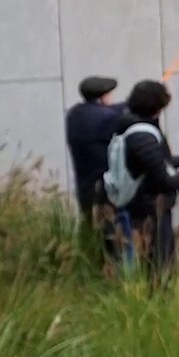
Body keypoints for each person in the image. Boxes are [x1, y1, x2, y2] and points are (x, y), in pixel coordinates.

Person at [102, 79, 179, 279]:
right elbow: (163, 178)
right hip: (150, 211)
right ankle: (160, 304)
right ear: (156, 106)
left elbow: (158, 162)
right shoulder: (142, 136)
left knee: (153, 266)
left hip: (144, 208)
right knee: (160, 268)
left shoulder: (133, 126)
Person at [64, 76, 126, 257]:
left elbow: (113, 109)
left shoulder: (75, 114)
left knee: (89, 230)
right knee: (110, 237)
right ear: (103, 97)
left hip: (85, 185)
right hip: (104, 189)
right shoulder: (106, 118)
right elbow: (119, 115)